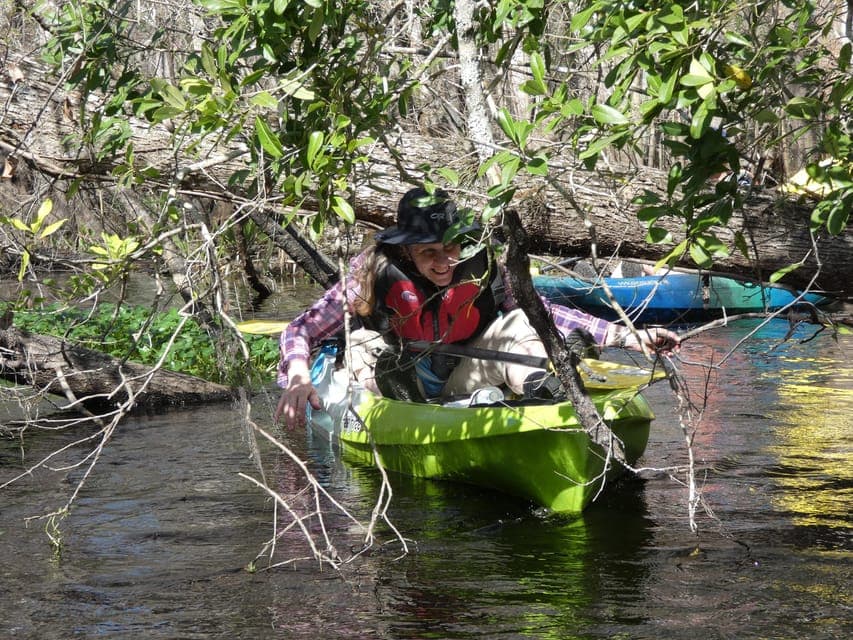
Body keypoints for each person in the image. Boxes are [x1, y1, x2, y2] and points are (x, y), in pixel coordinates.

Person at [274, 187, 680, 428]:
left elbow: (543, 310)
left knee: (521, 321)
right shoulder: (370, 275)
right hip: (398, 372)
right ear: (405, 252)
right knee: (363, 341)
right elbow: (300, 330)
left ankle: (542, 389)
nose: (443, 262)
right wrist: (297, 377)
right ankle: (405, 399)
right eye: (428, 252)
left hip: (463, 370)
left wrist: (626, 334)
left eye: (450, 247)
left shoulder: (482, 268)